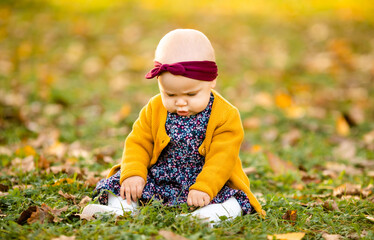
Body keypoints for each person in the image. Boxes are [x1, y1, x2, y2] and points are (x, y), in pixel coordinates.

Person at [82, 29, 265, 224]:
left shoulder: (225, 115)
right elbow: (138, 142)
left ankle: (206, 216)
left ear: (212, 80)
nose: (180, 103)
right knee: (122, 184)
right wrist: (134, 174)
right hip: (160, 178)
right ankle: (122, 208)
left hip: (206, 182)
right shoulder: (154, 108)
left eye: (191, 95)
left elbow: (223, 158)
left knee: (235, 201)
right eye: (170, 95)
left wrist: (204, 187)